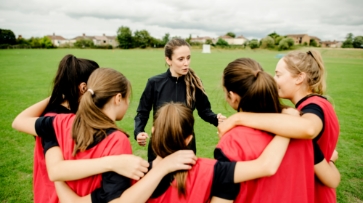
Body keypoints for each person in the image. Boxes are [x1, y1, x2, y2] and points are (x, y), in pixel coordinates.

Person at [12, 68, 197, 203]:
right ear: (118, 98)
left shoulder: (60, 122)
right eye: (127, 98)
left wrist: (59, 94)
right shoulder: (117, 141)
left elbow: (19, 121)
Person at [53, 102, 292, 203]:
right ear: (189, 138)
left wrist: (55, 169)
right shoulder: (214, 171)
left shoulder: (132, 173)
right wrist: (289, 126)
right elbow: (266, 166)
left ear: (154, 130)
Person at [217, 55, 340, 202]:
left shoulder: (300, 123)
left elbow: (308, 129)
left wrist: (239, 118)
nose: (273, 80)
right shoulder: (295, 123)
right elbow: (332, 179)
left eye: (278, 74)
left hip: (316, 194)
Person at [134, 38, 226, 161]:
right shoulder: (154, 83)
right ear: (168, 60)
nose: (186, 63)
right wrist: (138, 132)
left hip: (186, 145)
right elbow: (142, 113)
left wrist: (217, 119)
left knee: (185, 180)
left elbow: (204, 111)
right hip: (159, 146)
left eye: (188, 58)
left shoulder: (195, 84)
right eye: (181, 59)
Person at [32, 54, 99, 203]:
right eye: (98, 87)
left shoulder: (67, 114)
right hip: (55, 197)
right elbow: (56, 170)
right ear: (83, 88)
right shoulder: (56, 120)